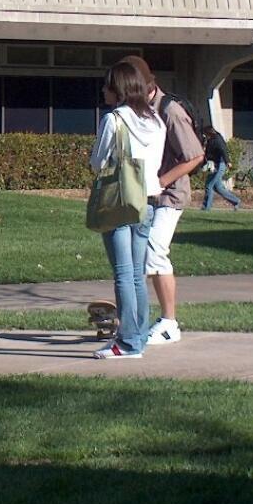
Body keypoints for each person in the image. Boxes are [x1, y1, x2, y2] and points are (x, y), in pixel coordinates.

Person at [121, 55, 204, 346]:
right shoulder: (140, 110)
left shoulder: (170, 111)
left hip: (170, 196)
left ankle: (169, 323)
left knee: (155, 251)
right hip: (146, 195)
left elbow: (195, 155)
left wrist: (162, 181)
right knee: (140, 255)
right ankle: (138, 319)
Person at [89, 61, 166, 359]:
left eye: (108, 84)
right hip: (146, 201)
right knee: (137, 274)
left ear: (118, 88)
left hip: (120, 202)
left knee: (123, 274)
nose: (104, 90)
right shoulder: (156, 121)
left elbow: (98, 162)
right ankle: (137, 337)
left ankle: (128, 342)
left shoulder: (114, 120)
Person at [201, 124, 241, 211]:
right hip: (214, 165)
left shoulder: (217, 140)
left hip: (220, 165)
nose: (204, 135)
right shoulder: (210, 140)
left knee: (209, 185)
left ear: (209, 133)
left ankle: (206, 208)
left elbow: (223, 150)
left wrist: (228, 162)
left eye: (205, 134)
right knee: (218, 188)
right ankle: (236, 201)